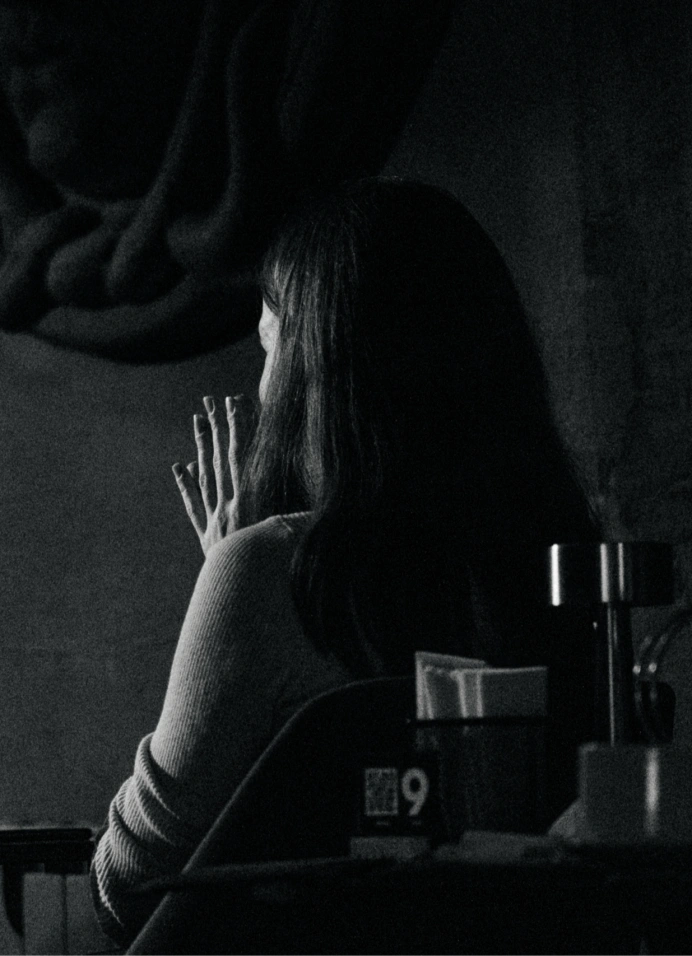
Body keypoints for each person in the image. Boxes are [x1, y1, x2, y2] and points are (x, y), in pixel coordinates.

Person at [90, 177, 597, 944]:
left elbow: (130, 888)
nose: (262, 388)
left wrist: (234, 581)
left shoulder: (268, 576)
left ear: (318, 370)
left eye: (270, 345)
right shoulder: (576, 574)